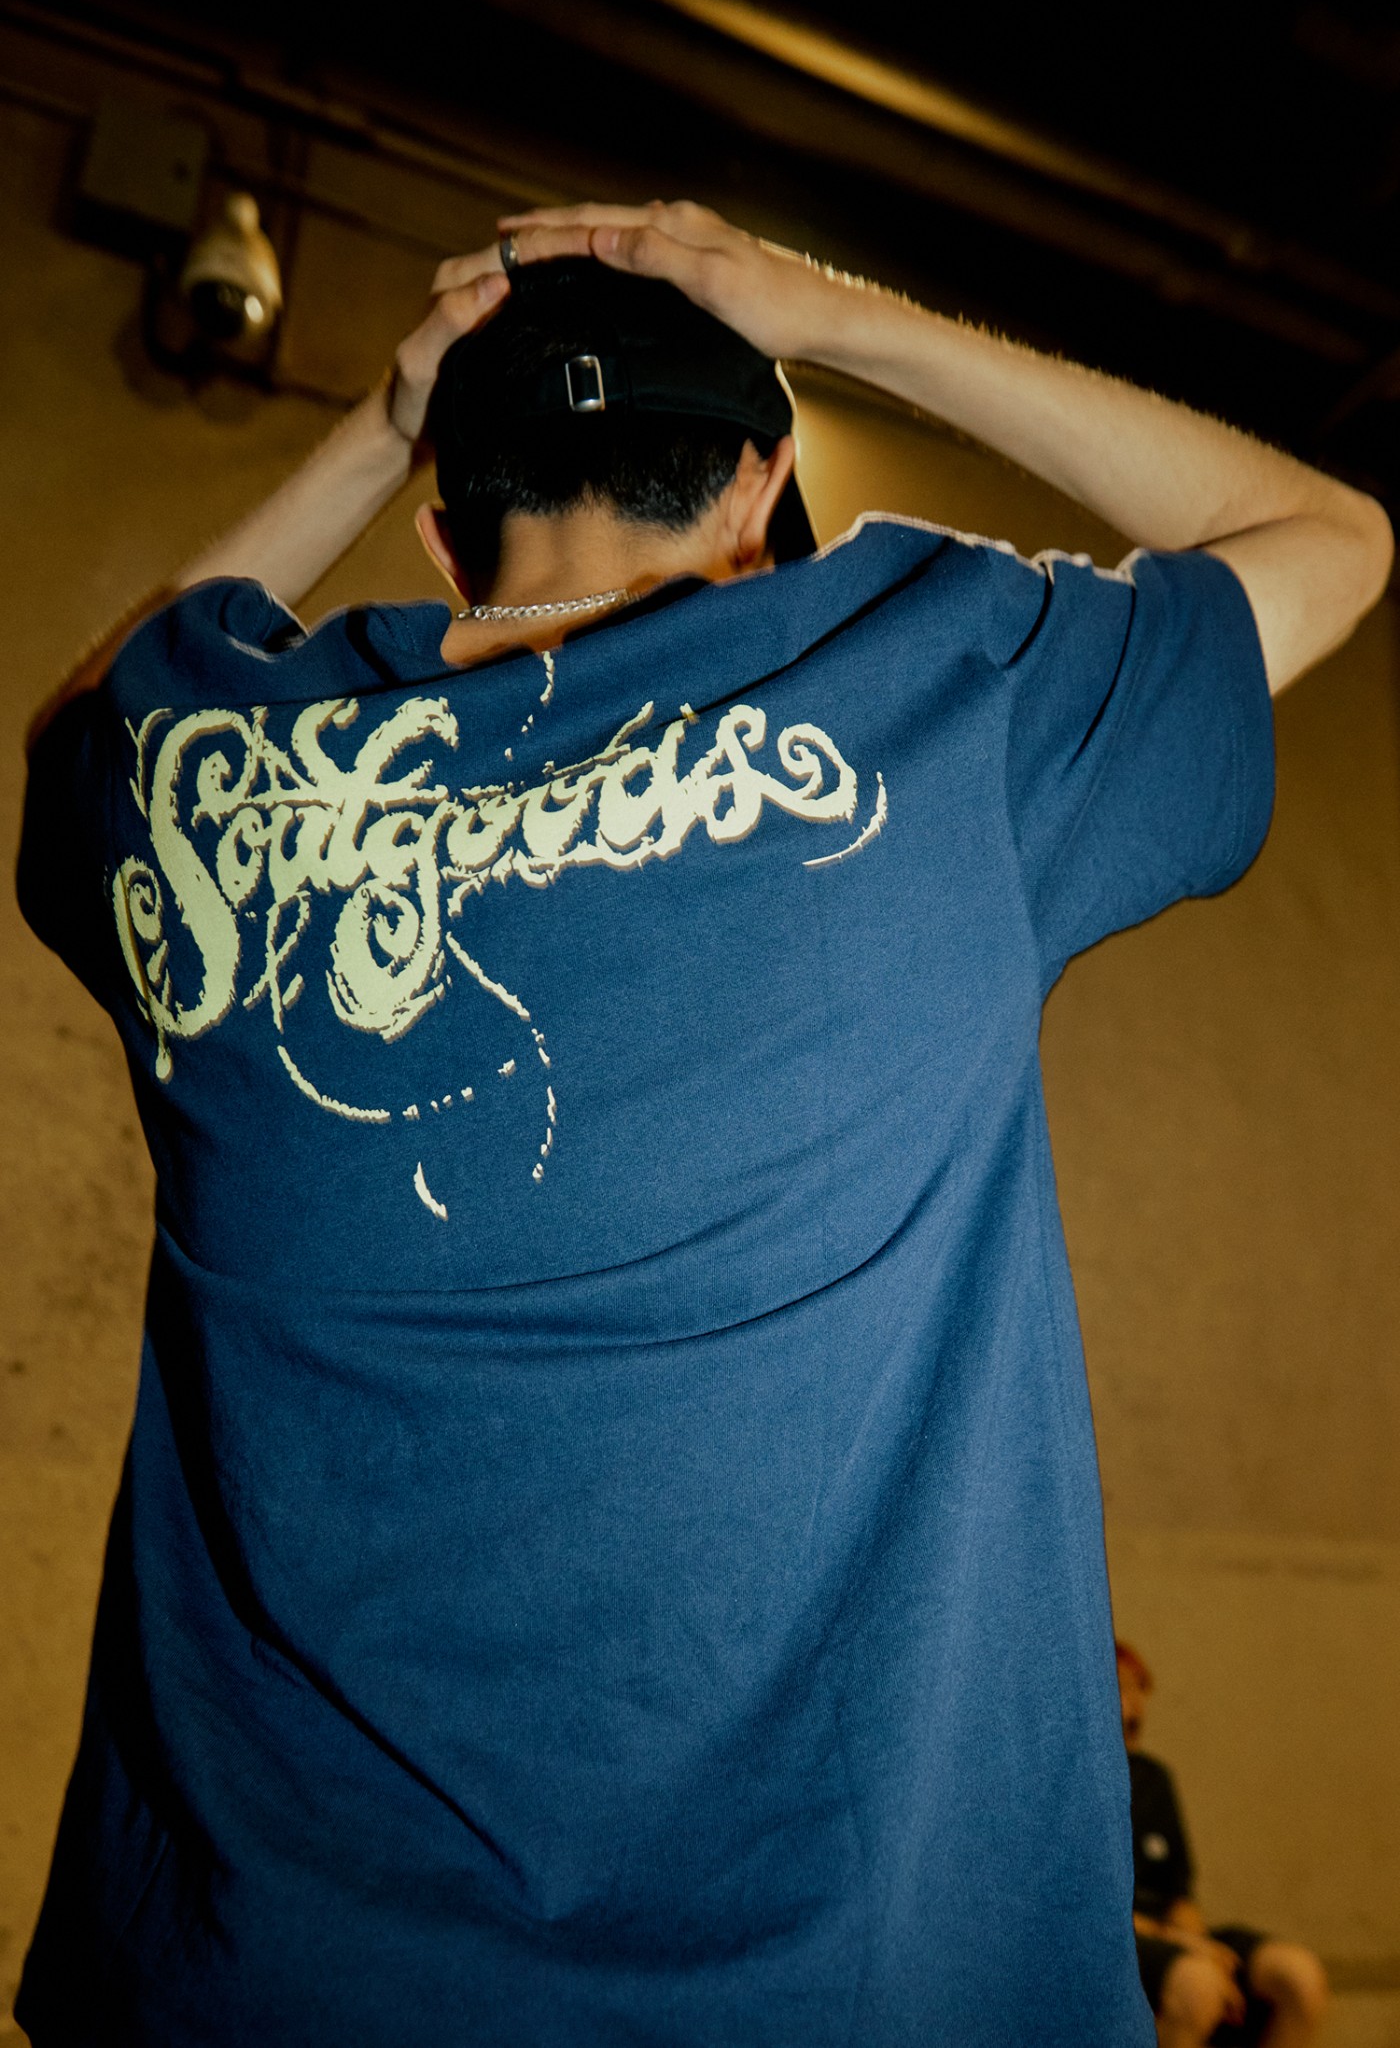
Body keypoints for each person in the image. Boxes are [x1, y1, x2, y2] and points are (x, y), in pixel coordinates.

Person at [13, 199, 1389, 2047]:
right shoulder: (929, 682)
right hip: (826, 1992)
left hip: (269, 1985)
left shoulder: (205, 789)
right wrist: (852, 318)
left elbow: (74, 730)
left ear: (441, 524)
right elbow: (1331, 538)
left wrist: (377, 423)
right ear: (762, 489)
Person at [1117, 1642, 1329, 2048]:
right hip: (1123, 1935)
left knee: (1299, 1976)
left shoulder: (1155, 1779)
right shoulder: (1075, 1792)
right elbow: (1093, 1910)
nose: (1135, 1702)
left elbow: (1180, 1897)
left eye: (1140, 1688)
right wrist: (1182, 1946)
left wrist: (1206, 1946)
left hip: (1172, 1933)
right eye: (1122, 1687)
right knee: (1198, 1988)